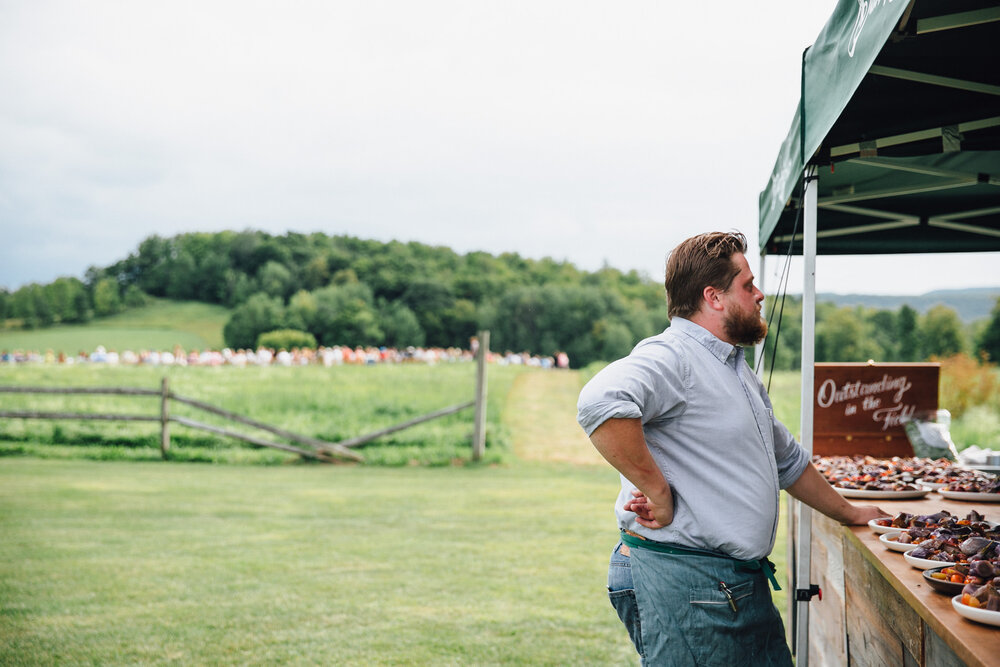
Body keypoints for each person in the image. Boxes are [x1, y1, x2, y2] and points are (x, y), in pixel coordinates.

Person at [577, 231, 887, 666]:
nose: (760, 295)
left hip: (731, 586)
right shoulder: (674, 356)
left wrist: (853, 514)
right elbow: (600, 403)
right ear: (714, 297)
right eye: (747, 284)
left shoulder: (730, 365)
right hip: (690, 584)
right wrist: (658, 490)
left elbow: (787, 461)